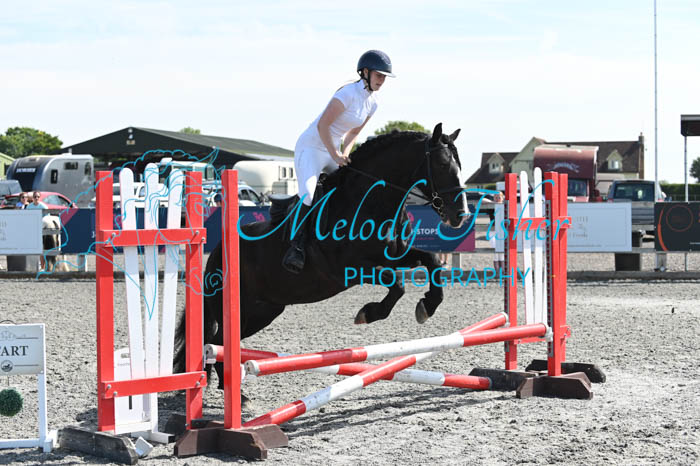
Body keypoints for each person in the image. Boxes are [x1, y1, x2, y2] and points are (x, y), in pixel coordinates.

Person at [282, 49, 395, 274]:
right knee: (309, 194)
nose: (382, 80)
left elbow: (353, 133)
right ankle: (296, 247)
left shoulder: (373, 103)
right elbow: (323, 125)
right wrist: (335, 154)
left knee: (350, 188)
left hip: (333, 149)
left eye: (384, 77)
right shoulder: (347, 93)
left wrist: (346, 154)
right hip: (311, 147)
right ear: (365, 72)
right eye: (379, 75)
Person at [490, 191, 505, 273]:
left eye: (499, 197)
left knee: (502, 251)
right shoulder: (491, 207)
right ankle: (497, 271)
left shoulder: (505, 206)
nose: (497, 198)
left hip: (502, 231)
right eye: (496, 197)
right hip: (493, 231)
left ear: (502, 198)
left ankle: (502, 271)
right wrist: (492, 202)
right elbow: (482, 200)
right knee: (495, 248)